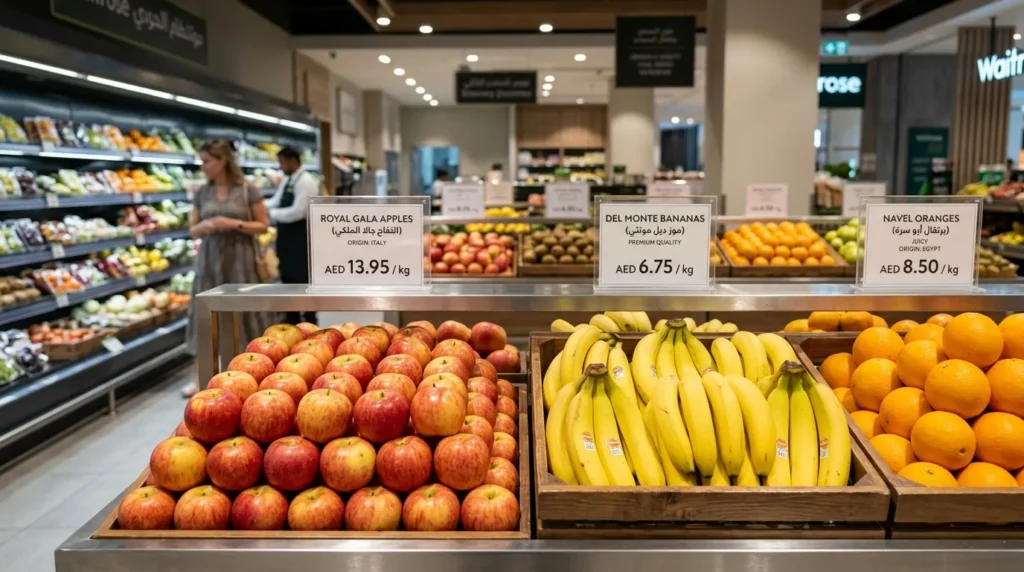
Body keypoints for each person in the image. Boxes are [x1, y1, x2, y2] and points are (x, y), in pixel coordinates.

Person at [183, 140, 272, 396]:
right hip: (210, 261)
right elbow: (193, 229)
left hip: (241, 259)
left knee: (245, 314)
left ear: (223, 161)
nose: (203, 166)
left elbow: (263, 225)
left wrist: (233, 223)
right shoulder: (203, 192)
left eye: (207, 161)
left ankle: (251, 371)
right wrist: (208, 226)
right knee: (204, 315)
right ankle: (201, 376)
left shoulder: (247, 190)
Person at [265, 146, 319, 324]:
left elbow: (299, 211)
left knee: (303, 282)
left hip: (301, 240)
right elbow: (277, 200)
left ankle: (309, 321)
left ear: (293, 160)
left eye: (282, 162)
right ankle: (292, 320)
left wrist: (271, 215)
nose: (281, 166)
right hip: (287, 239)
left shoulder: (306, 181)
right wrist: (259, 206)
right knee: (289, 281)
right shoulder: (289, 180)